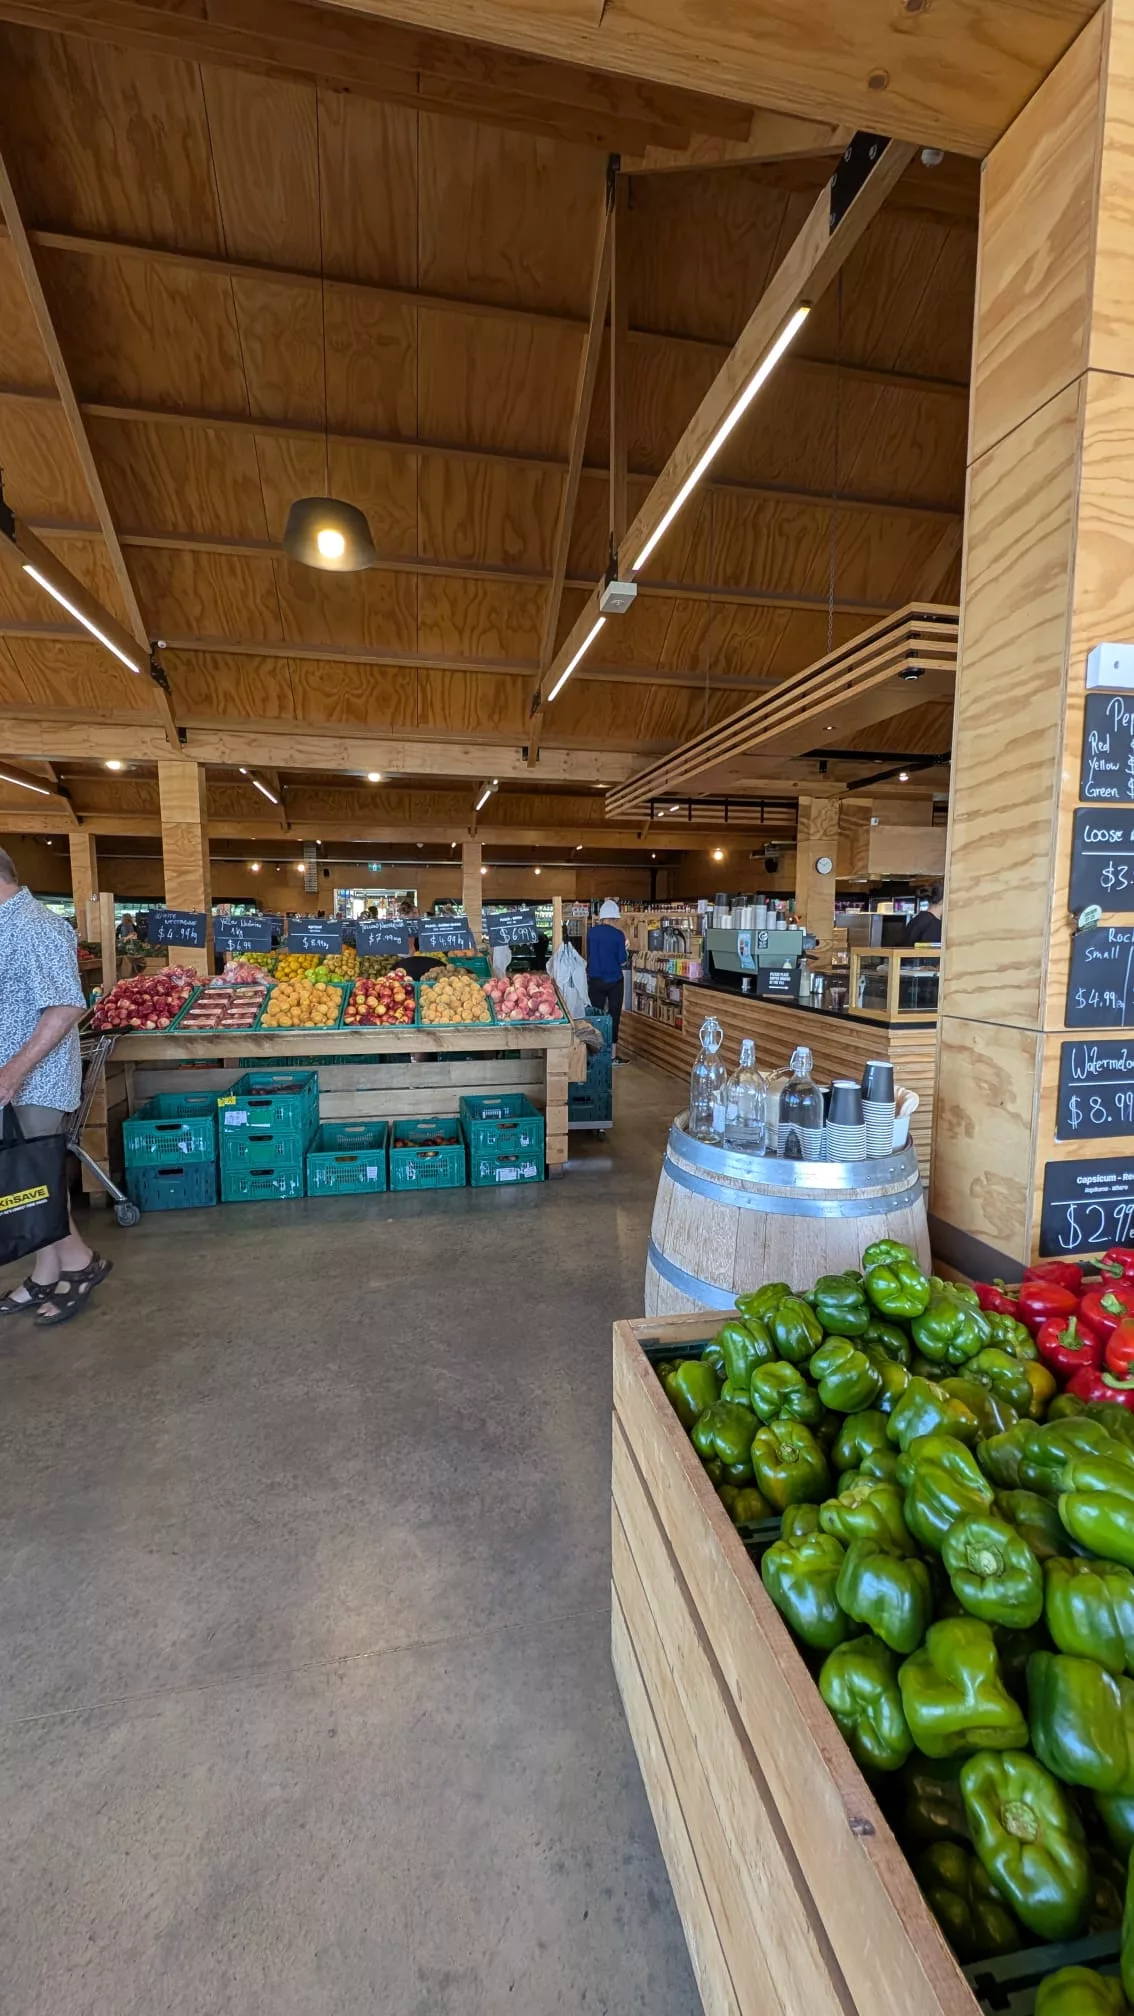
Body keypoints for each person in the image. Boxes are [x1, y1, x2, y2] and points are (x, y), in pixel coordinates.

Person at [0, 848, 112, 1327]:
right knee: (29, 1178)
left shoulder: (36, 926)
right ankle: (47, 1270)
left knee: (31, 1179)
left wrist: (13, 1071)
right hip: (16, 1078)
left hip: (32, 1080)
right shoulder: (11, 924)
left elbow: (66, 1007)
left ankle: (81, 1264)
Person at [586, 899, 629, 1059]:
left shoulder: (591, 933)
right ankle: (612, 1055)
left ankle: (592, 1052)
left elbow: (589, 954)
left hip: (595, 979)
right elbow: (622, 960)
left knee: (594, 1014)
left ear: (602, 917)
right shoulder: (618, 935)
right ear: (614, 918)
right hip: (614, 981)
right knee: (614, 1015)